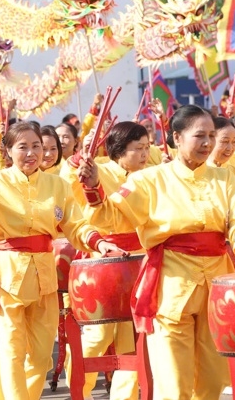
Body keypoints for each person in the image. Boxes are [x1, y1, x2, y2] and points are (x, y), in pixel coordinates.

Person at [87, 104, 235, 399]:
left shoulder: (227, 179)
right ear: (177, 137)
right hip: (171, 287)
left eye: (212, 136)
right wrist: (93, 187)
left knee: (214, 378)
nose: (208, 143)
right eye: (199, 136)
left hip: (218, 286)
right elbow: (112, 215)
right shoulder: (148, 180)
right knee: (173, 381)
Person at [0, 120, 121, 400]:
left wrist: (99, 242)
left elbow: (75, 225)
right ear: (7, 151)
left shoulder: (57, 184)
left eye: (36, 146)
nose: (31, 153)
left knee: (41, 356)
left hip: (44, 277)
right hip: (5, 276)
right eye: (22, 147)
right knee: (11, 353)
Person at [70, 122, 151, 400]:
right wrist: (81, 165)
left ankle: (123, 397)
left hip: (140, 261)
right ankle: (79, 390)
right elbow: (79, 197)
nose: (144, 154)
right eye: (137, 148)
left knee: (133, 336)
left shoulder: (151, 175)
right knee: (97, 336)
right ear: (118, 151)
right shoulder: (99, 170)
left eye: (146, 147)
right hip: (103, 261)